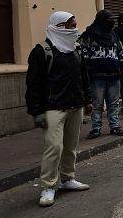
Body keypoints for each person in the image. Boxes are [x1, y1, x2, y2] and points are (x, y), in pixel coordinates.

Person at [25, 11, 93, 207]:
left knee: (70, 146)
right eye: (71, 25)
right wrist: (36, 111)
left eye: (75, 24)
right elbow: (33, 84)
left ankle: (67, 178)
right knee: (54, 147)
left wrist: (87, 100)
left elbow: (83, 77)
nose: (75, 29)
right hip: (53, 107)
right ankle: (48, 185)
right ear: (59, 27)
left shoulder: (75, 49)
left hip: (75, 105)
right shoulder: (41, 51)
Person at [79, 10, 123, 139]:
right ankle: (96, 128)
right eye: (108, 19)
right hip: (96, 76)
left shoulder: (113, 35)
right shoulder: (88, 35)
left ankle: (115, 126)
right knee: (97, 104)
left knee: (114, 103)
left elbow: (121, 51)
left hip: (114, 74)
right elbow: (83, 55)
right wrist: (87, 72)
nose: (111, 22)